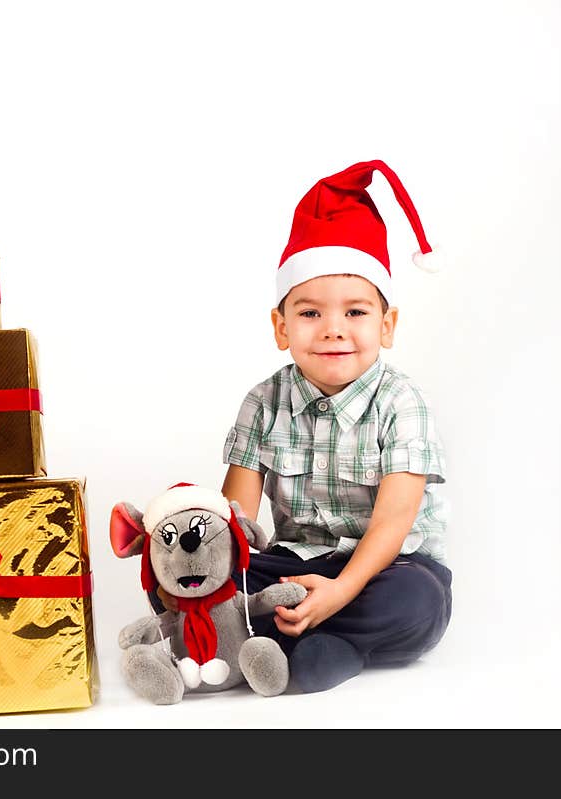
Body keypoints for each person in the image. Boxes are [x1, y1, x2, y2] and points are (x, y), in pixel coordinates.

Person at [161, 160, 452, 693]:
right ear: (281, 327)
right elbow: (238, 518)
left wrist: (340, 592)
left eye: (357, 313)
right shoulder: (264, 401)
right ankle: (285, 636)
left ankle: (323, 643)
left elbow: (392, 522)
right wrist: (201, 563)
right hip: (293, 564)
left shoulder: (403, 403)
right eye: (311, 313)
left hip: (388, 567)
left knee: (419, 604)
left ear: (386, 326)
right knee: (195, 575)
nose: (334, 330)